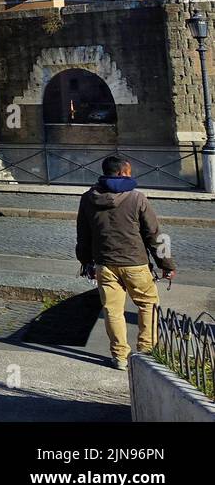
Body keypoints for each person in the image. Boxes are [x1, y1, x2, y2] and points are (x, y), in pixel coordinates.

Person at [76, 156, 177, 369]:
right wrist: (166, 264)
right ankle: (147, 352)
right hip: (135, 263)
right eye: (129, 172)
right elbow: (154, 235)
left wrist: (86, 263)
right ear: (122, 173)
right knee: (148, 305)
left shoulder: (87, 198)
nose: (131, 175)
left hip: (104, 264)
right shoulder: (137, 198)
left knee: (112, 310)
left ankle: (120, 357)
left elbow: (83, 235)